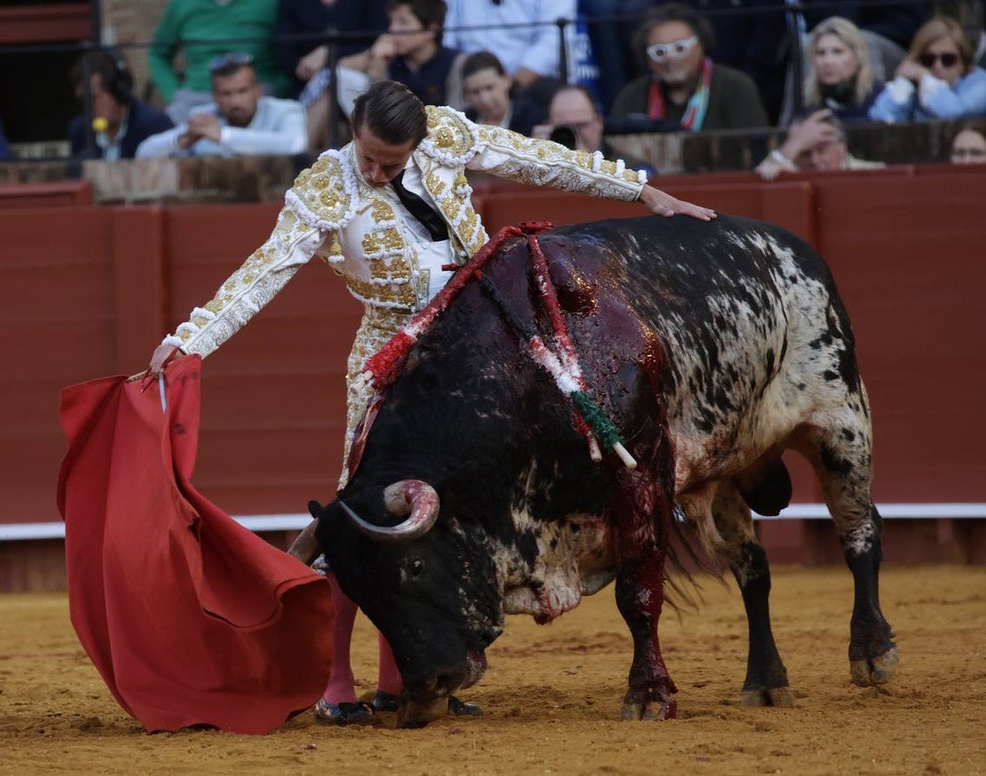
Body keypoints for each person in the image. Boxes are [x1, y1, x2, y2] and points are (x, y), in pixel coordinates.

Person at [144, 80, 716, 725]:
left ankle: (411, 674)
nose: (377, 172)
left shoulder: (443, 136)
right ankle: (336, 683)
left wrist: (639, 190)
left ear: (418, 141)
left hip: (483, 343)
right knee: (363, 510)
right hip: (393, 353)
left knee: (453, 519)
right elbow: (263, 271)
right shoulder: (325, 189)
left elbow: (535, 157)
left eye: (392, 162)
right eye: (368, 157)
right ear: (352, 131)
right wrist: (190, 340)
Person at [609, 3, 770, 132]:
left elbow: (756, 151)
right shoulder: (632, 96)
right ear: (648, 58)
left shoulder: (735, 86)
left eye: (680, 48)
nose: (670, 57)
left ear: (701, 44)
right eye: (659, 52)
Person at [136, 53, 307, 160]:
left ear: (258, 91)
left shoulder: (285, 110)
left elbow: (296, 145)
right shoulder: (204, 116)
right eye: (226, 94)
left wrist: (222, 136)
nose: (234, 101)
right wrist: (182, 140)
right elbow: (143, 153)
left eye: (242, 91)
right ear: (215, 97)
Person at [148, 0, 289, 124]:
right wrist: (173, 93)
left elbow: (294, 53)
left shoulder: (271, 4)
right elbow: (157, 54)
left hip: (258, 93)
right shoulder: (182, 4)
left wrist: (279, 88)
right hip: (197, 94)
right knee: (168, 139)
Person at [336, 0, 468, 111]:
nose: (393, 29)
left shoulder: (456, 63)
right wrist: (377, 72)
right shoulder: (388, 61)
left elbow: (456, 119)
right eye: (391, 22)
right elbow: (376, 119)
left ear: (431, 30)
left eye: (403, 22)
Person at [869, 15, 986, 123]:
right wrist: (904, 83)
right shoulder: (917, 83)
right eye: (928, 60)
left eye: (948, 59)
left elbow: (953, 114)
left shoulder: (980, 84)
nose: (937, 66)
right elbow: (879, 118)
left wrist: (925, 77)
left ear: (963, 62)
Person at [442, 0, 577, 94]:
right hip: (469, 83)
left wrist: (512, 85)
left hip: (526, 84)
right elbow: (448, 39)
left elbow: (552, 40)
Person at [67, 50, 174, 161]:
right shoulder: (80, 131)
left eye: (93, 98)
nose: (87, 108)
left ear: (119, 92)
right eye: (83, 100)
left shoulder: (154, 125)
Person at [532, 83, 656, 176]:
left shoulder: (633, 170)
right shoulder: (539, 169)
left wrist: (585, 163)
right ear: (548, 126)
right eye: (564, 128)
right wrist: (530, 160)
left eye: (581, 126)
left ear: (598, 122)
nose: (574, 134)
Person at [276, 0, 387, 99]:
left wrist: (329, 54)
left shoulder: (371, 3)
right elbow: (288, 58)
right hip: (307, 87)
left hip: (362, 81)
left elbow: (378, 45)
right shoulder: (291, 3)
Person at [754, 108, 884, 180]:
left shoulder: (875, 174)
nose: (814, 161)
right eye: (804, 153)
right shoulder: (785, 173)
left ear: (843, 148)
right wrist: (791, 146)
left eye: (822, 151)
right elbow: (757, 182)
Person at [802, 16, 882, 123]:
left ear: (858, 57)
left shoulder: (880, 100)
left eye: (837, 52)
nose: (827, 61)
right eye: (820, 53)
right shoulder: (807, 104)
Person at [460, 50, 544, 137]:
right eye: (475, 92)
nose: (484, 99)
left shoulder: (532, 119)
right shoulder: (462, 125)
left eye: (489, 88)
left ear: (506, 80)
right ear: (467, 93)